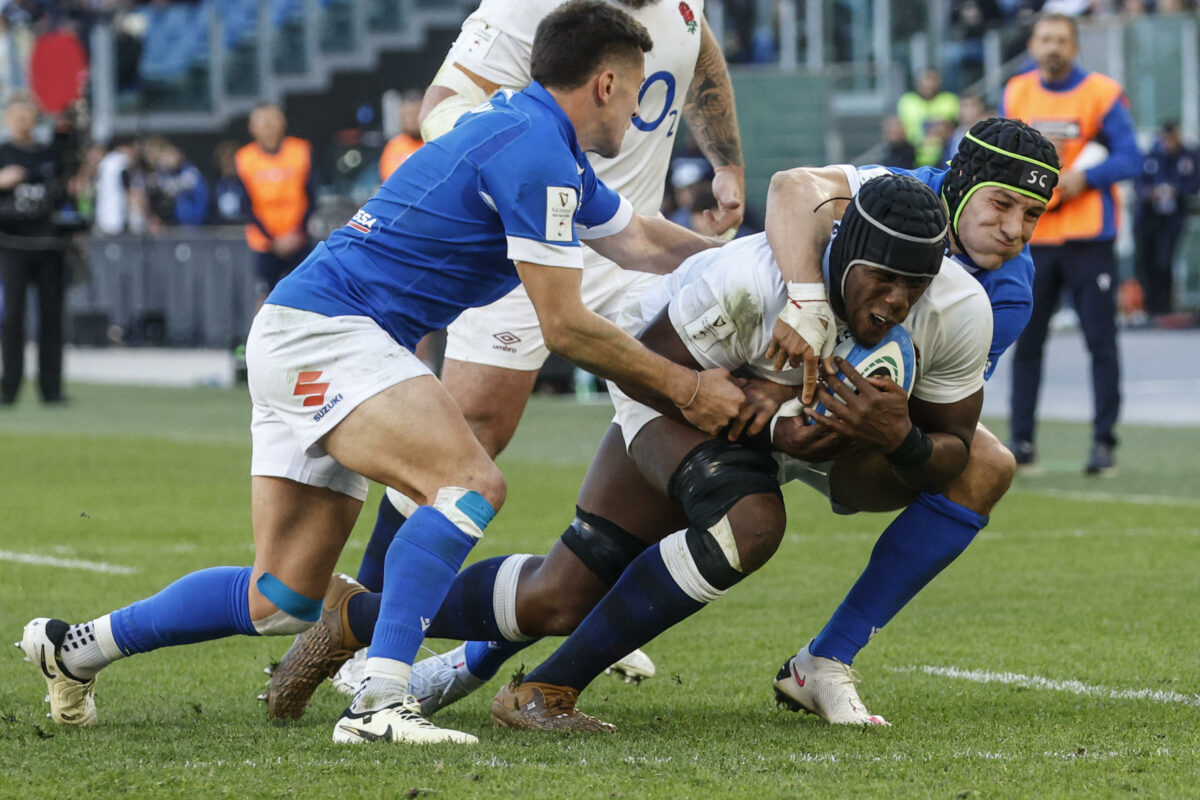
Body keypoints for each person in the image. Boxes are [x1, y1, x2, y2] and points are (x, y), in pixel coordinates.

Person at [18, 0, 744, 746]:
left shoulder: (532, 135)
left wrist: (744, 258)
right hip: (331, 336)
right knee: (467, 483)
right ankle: (379, 703)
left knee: (281, 598)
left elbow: (641, 239)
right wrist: (689, 389)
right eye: (638, 91)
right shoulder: (537, 152)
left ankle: (76, 648)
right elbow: (565, 326)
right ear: (605, 84)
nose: (642, 111)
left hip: (307, 327)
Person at [270, 118, 1058, 727]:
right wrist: (801, 328)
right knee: (720, 533)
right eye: (1003, 205)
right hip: (679, 387)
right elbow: (654, 365)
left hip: (807, 418)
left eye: (1033, 215)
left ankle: (363, 619)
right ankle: (519, 679)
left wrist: (897, 438)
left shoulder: (975, 304)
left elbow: (919, 463)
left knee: (563, 596)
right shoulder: (756, 274)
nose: (1015, 230)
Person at [314, 0, 768, 702]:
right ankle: (366, 621)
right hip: (527, 239)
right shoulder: (529, 6)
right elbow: (441, 101)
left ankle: (589, 591)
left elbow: (699, 49)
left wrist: (727, 161)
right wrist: (517, 167)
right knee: (471, 433)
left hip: (629, 240)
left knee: (680, 419)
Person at [1002, 12, 1142, 475]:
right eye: (1045, 39)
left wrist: (1086, 178)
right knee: (1026, 342)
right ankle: (1021, 443)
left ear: (1075, 46)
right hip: (1033, 238)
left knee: (1101, 343)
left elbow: (1131, 157)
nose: (1052, 47)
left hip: (1088, 238)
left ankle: (1104, 443)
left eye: (1061, 39)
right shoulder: (1016, 92)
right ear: (1032, 45)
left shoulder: (1101, 93)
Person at [0, 95, 68, 406]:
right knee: (12, 317)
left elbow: (67, 186)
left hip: (49, 243)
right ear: (7, 119)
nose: (22, 122)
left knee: (52, 318)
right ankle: (9, 388)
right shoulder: (3, 153)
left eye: (27, 115)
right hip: (12, 242)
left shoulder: (48, 153)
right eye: (17, 116)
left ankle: (51, 390)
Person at [235, 104, 315, 309]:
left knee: (306, 297)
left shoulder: (301, 151)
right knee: (264, 299)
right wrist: (273, 240)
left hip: (298, 240)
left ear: (283, 123)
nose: (268, 127)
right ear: (252, 128)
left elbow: (311, 197)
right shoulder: (244, 158)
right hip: (265, 244)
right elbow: (246, 206)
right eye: (262, 122)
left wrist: (295, 234)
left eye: (272, 121)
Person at [1133, 120, 1199, 318]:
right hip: (1148, 217)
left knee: (1164, 261)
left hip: (1171, 219)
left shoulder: (1188, 157)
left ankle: (1164, 307)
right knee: (1146, 261)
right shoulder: (1151, 156)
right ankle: (1149, 307)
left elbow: (1193, 183)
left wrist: (1176, 190)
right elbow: (1138, 183)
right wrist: (1149, 193)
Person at [897, 68, 960, 168]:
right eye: (926, 80)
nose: (929, 84)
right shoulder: (907, 101)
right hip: (912, 153)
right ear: (918, 82)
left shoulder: (950, 100)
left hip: (944, 153)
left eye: (933, 80)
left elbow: (956, 128)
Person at [378, 90, 424, 182]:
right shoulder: (393, 145)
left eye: (414, 115)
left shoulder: (432, 143)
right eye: (406, 116)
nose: (410, 121)